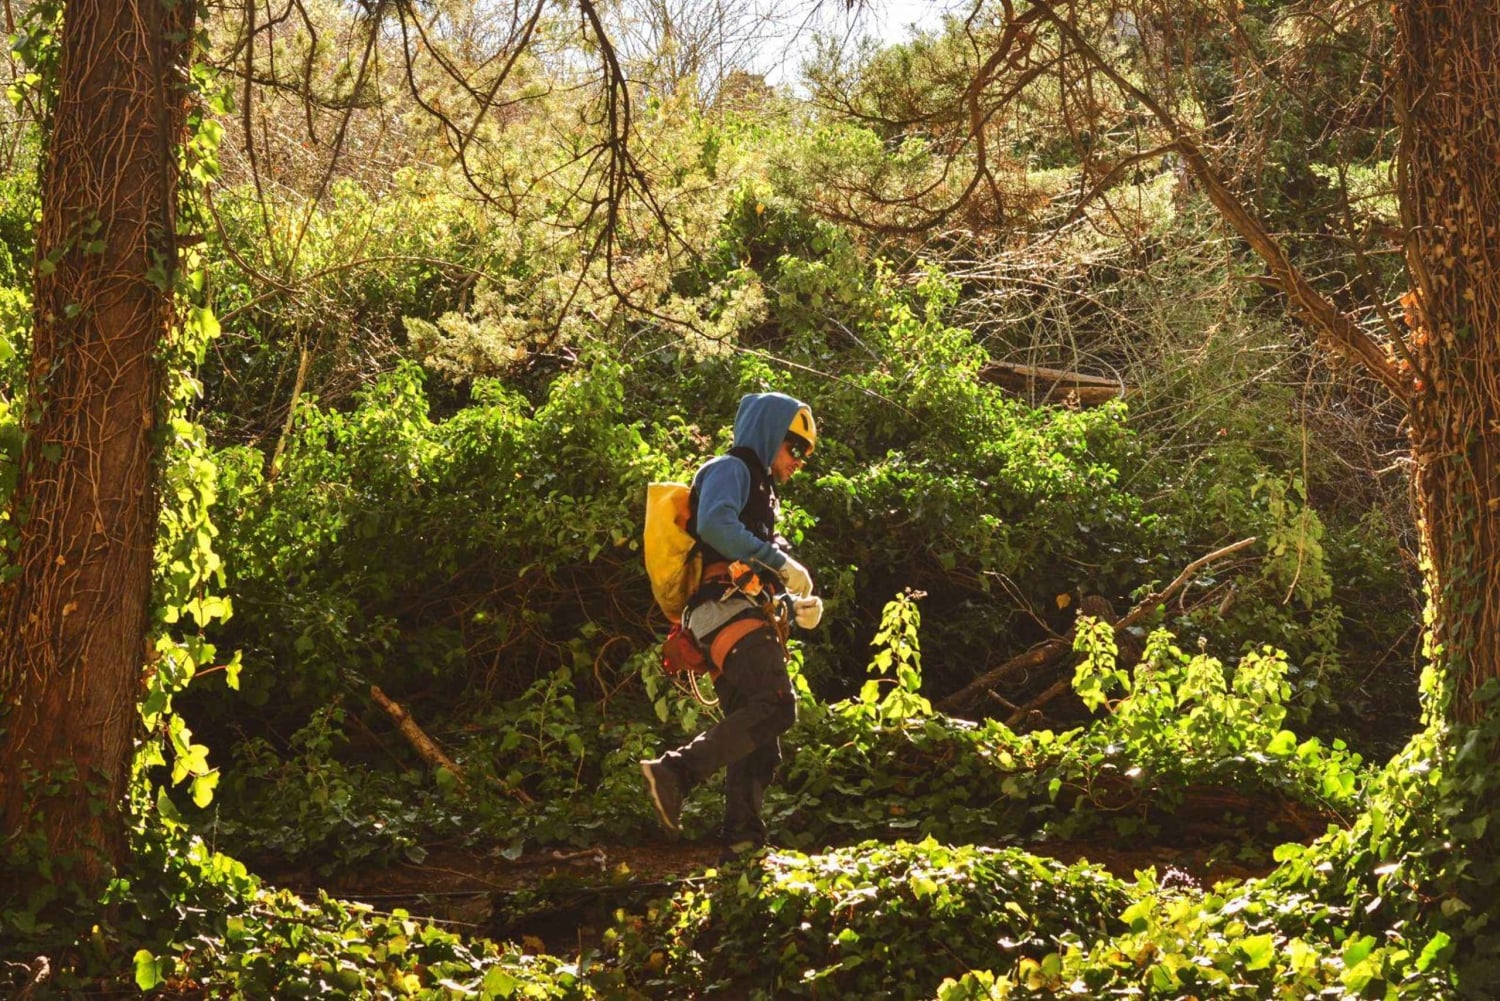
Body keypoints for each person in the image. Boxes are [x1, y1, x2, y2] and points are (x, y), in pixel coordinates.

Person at [640, 392, 824, 858]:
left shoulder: (762, 493)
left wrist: (792, 605)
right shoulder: (731, 469)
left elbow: (753, 566)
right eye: (794, 447)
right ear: (769, 433)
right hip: (726, 612)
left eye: (805, 453)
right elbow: (716, 527)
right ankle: (675, 771)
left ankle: (743, 843)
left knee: (758, 740)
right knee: (777, 706)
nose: (799, 460)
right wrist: (779, 562)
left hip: (736, 613)